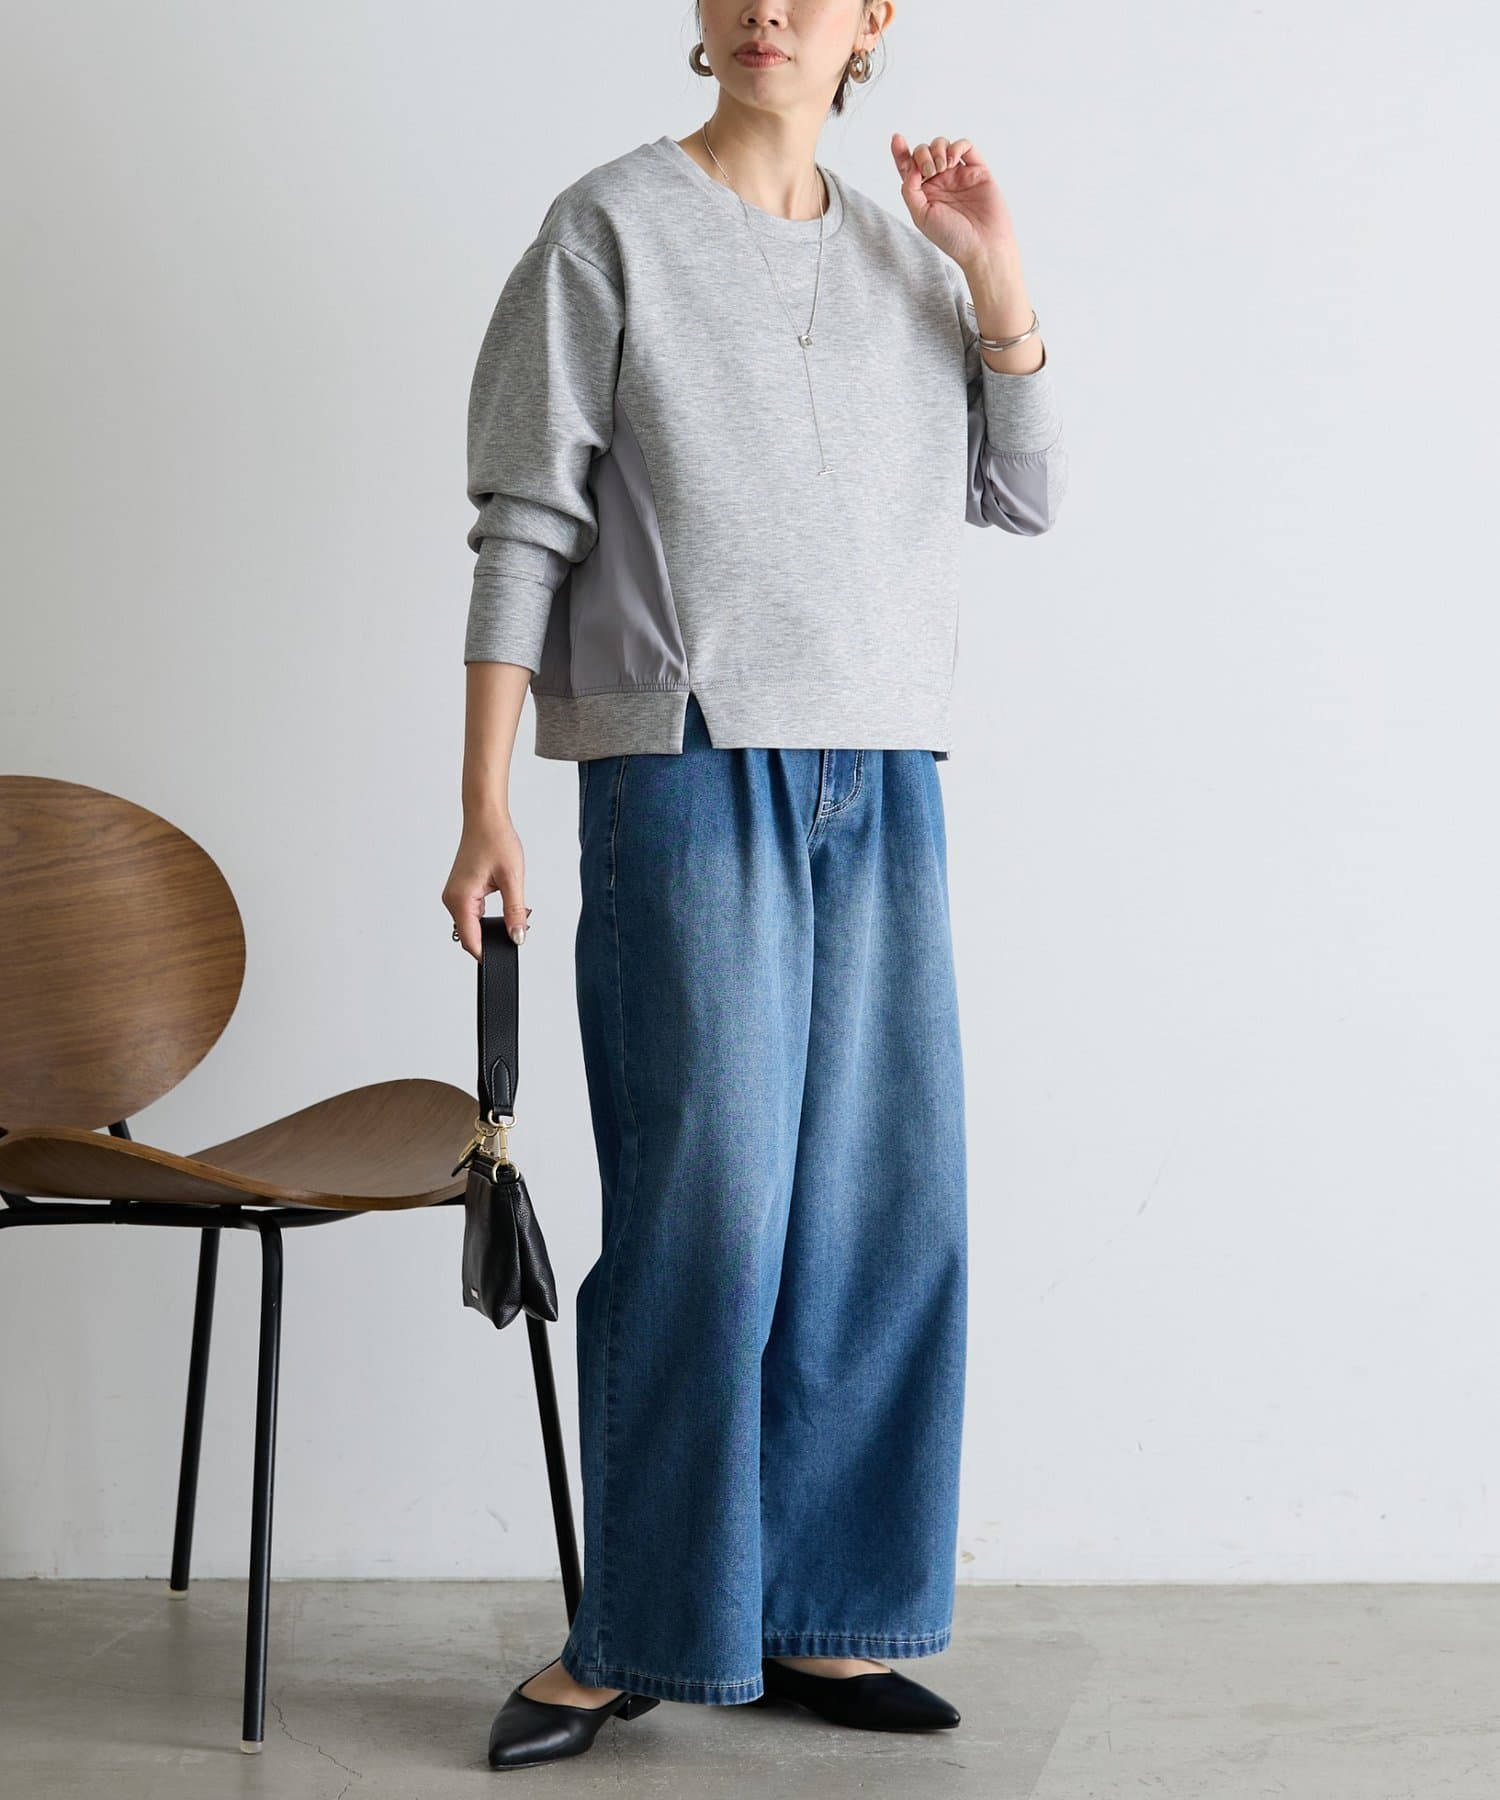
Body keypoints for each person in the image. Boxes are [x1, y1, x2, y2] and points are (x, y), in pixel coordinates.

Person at [441, 0, 1067, 1771]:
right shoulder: (609, 227)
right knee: (706, 1210)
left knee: (885, 1208)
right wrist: (482, 799)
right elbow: (525, 518)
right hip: (688, 763)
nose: (767, 9)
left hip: (885, 772)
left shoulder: (907, 252)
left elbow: (1025, 493)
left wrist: (995, 272)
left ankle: (827, 1616)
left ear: (874, 18)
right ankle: (641, 1630)